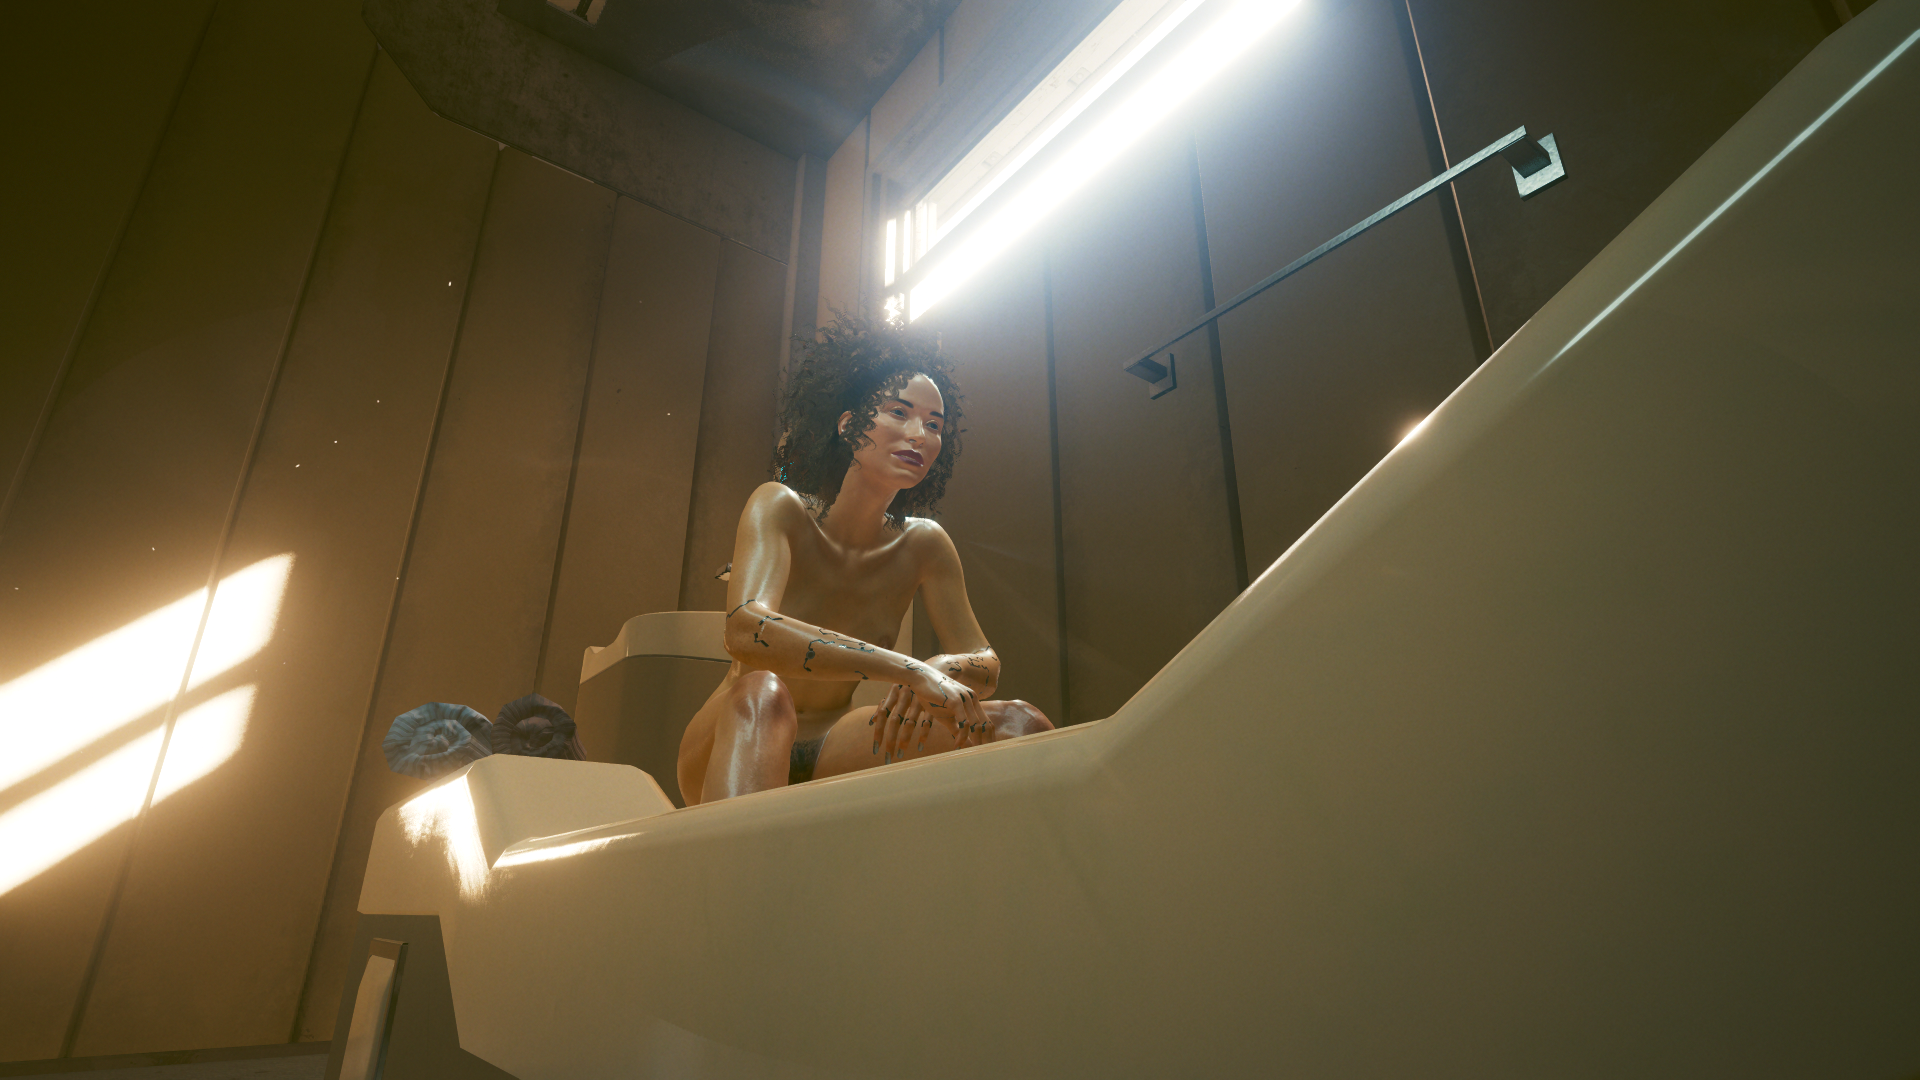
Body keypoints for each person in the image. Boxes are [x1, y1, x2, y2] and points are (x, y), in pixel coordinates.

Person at [676, 318, 1053, 804]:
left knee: (1021, 724)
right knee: (764, 693)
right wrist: (909, 670)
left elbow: (986, 664)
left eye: (934, 425)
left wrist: (943, 666)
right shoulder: (779, 506)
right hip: (737, 728)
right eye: (899, 412)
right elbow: (747, 629)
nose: (919, 435)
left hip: (833, 744)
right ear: (848, 423)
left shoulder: (925, 544)